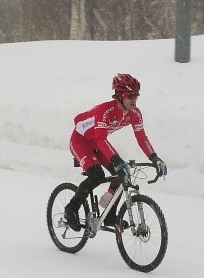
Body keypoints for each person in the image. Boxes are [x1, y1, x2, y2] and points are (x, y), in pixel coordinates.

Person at [64, 73, 167, 231]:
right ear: (119, 96)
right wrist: (117, 161)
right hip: (81, 142)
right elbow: (100, 139)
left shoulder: (135, 113)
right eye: (129, 96)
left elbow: (141, 138)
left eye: (136, 96)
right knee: (97, 175)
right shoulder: (104, 111)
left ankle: (110, 217)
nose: (134, 100)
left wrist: (155, 158)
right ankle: (71, 209)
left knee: (122, 173)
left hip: (98, 142)